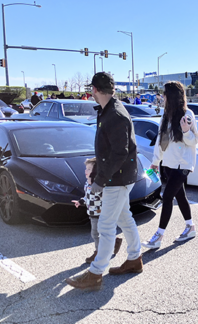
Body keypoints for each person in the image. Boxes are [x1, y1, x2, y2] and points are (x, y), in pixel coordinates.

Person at [65, 72, 142, 290]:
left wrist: (100, 179)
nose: (91, 93)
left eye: (91, 89)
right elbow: (112, 150)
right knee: (124, 217)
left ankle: (95, 273)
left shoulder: (114, 114)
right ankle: (135, 259)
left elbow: (119, 153)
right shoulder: (109, 110)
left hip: (117, 179)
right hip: (119, 176)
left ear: (95, 90)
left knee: (106, 226)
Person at [141, 81, 198, 249]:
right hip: (169, 164)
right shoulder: (166, 115)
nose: (163, 96)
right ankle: (190, 227)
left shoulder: (187, 114)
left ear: (171, 96)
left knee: (167, 197)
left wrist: (186, 131)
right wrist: (155, 163)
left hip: (183, 165)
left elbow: (194, 140)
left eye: (165, 94)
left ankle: (158, 236)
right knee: (180, 196)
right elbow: (161, 140)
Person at [72, 157, 122, 263]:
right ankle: (114, 242)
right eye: (86, 169)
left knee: (95, 234)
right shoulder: (87, 184)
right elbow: (87, 197)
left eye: (89, 169)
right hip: (91, 213)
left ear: (96, 171)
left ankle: (99, 253)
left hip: (100, 214)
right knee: (101, 233)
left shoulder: (99, 186)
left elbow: (105, 198)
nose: (86, 171)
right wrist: (80, 201)